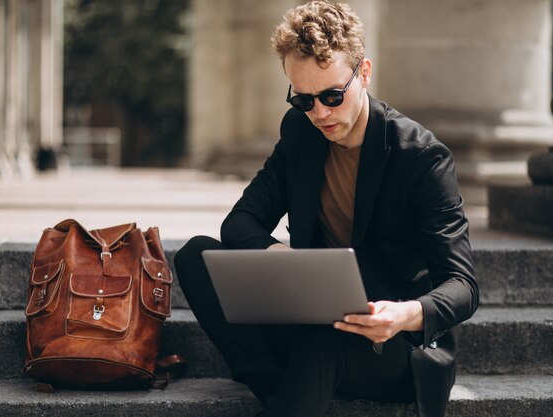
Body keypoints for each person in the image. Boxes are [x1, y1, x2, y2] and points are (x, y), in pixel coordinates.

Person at [174, 1, 479, 417]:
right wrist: (285, 259)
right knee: (196, 257)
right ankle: (278, 392)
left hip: (391, 345)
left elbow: (463, 285)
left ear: (365, 74)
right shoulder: (301, 132)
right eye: (303, 100)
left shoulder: (422, 157)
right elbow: (240, 223)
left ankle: (289, 399)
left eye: (332, 95)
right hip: (313, 318)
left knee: (326, 340)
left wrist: (405, 314)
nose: (319, 113)